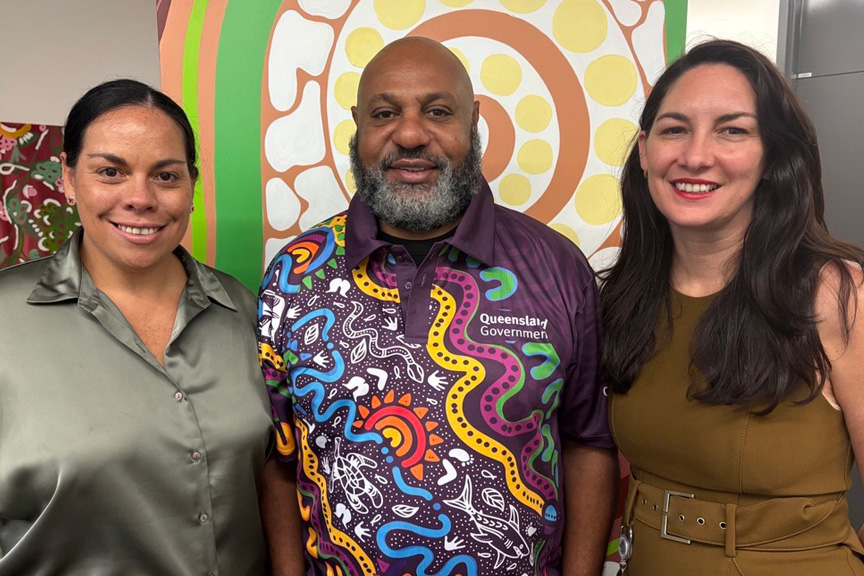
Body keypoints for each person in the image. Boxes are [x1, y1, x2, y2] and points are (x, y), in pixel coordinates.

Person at [257, 37, 619, 576]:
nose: (409, 134)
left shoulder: (556, 267)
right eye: (385, 113)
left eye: (437, 111)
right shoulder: (295, 273)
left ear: (473, 120)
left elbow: (588, 440)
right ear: (359, 125)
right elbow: (278, 457)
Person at [602, 39, 864, 575]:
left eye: (732, 130)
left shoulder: (835, 293)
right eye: (675, 129)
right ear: (647, 149)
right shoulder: (625, 294)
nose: (695, 156)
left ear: (773, 157)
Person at [0, 80, 271, 574]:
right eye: (110, 172)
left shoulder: (247, 311)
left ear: (192, 184)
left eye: (166, 176)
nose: (140, 198)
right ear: (67, 176)